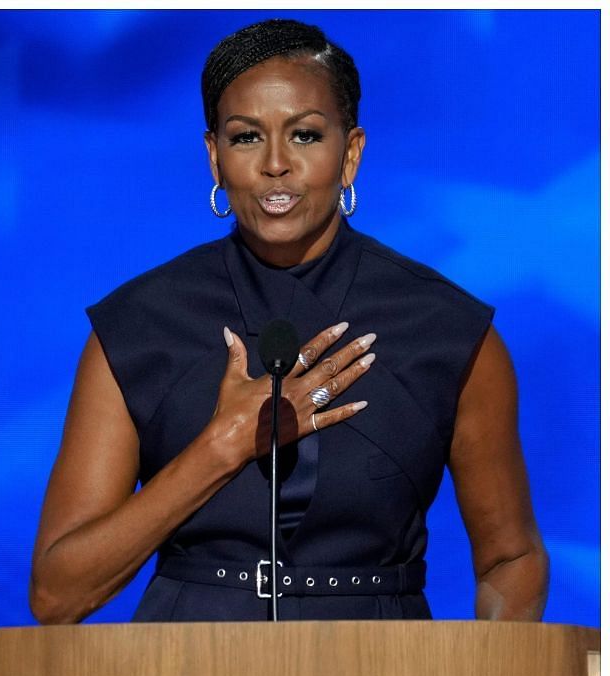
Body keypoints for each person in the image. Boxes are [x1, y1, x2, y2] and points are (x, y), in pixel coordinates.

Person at [29, 19, 546, 625]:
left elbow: (510, 558)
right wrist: (221, 447)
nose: (276, 164)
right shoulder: (139, 326)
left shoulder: (449, 331)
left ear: (350, 154)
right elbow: (56, 595)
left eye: (304, 135)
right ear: (214, 156)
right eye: (246, 138)